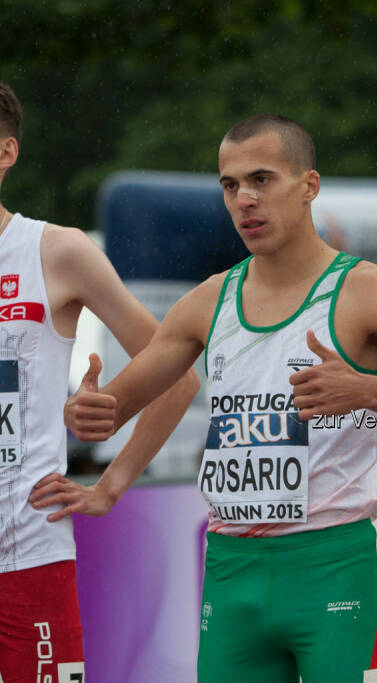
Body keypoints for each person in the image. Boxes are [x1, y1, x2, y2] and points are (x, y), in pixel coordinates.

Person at [56, 114, 377, 682]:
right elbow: (112, 411)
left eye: (262, 179)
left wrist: (368, 391)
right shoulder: (209, 300)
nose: (244, 200)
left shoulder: (366, 290)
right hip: (233, 570)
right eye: (230, 186)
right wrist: (87, 412)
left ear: (309, 185)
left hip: (330, 564)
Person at [0, 82, 198, 680]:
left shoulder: (54, 250)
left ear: (6, 153)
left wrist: (112, 485)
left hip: (26, 558)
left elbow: (179, 376)